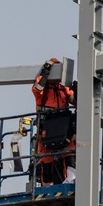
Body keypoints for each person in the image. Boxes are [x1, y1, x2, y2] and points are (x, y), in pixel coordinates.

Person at [32, 58, 77, 186]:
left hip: (63, 129)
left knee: (70, 152)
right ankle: (47, 187)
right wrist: (46, 71)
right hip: (47, 129)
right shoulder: (43, 90)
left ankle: (70, 179)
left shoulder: (63, 89)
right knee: (46, 159)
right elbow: (37, 88)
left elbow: (75, 100)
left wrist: (79, 90)